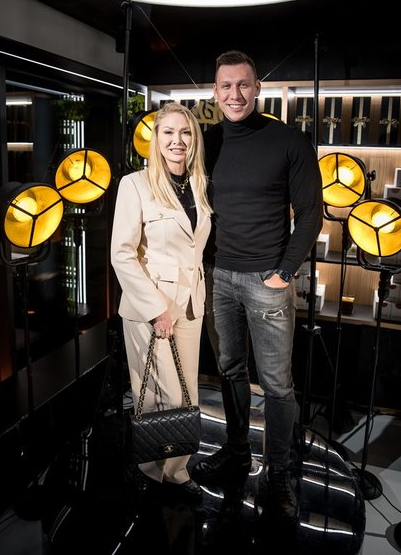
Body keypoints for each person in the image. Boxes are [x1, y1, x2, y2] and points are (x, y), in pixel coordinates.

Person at [191, 50, 323, 519]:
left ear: (257, 88)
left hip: (268, 280)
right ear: (215, 91)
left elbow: (311, 214)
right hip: (217, 275)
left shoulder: (289, 141)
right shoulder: (206, 141)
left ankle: (278, 472)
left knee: (277, 385)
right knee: (229, 370)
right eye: (226, 86)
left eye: (243, 84)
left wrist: (283, 272)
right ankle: (237, 453)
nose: (235, 94)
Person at [110, 101, 212, 503]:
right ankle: (151, 473)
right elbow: (122, 253)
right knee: (158, 394)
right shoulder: (134, 184)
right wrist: (156, 309)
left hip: (191, 304)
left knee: (186, 396)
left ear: (194, 139)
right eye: (168, 132)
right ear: (155, 139)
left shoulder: (198, 183)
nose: (177, 140)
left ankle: (176, 470)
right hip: (152, 306)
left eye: (185, 132)